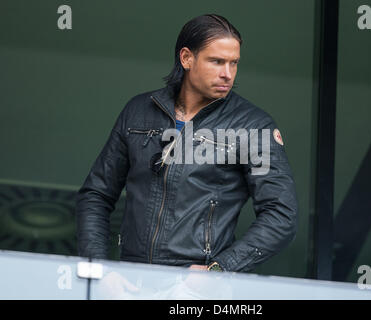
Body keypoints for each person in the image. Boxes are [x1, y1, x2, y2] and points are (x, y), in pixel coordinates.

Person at [76, 14, 298, 273]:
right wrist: (98, 269)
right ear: (186, 58)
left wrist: (219, 270)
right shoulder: (138, 112)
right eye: (217, 62)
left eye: (234, 63)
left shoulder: (254, 127)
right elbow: (96, 195)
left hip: (198, 291)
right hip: (132, 282)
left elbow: (280, 214)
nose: (228, 74)